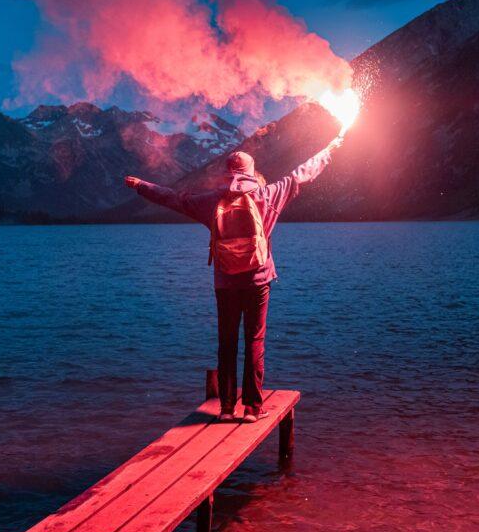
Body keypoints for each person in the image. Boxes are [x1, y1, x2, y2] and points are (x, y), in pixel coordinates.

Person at [124, 134, 343, 423]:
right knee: (255, 340)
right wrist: (330, 148)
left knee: (226, 342)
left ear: (229, 173)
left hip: (225, 283)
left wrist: (141, 186)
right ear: (252, 173)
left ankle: (226, 407)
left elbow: (173, 199)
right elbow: (302, 174)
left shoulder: (212, 201)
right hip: (258, 281)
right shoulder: (268, 195)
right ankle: (253, 408)